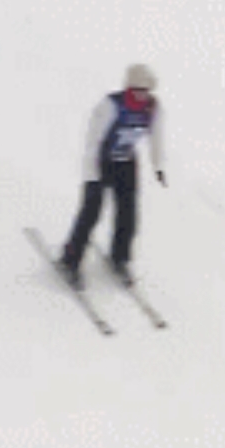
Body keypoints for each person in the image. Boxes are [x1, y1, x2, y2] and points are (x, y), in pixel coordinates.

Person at [57, 63, 167, 290]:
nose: (142, 95)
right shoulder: (110, 105)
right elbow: (92, 141)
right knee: (91, 213)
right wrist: (92, 175)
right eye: (137, 90)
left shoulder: (152, 109)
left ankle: (120, 257)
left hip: (126, 162)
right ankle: (70, 259)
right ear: (128, 88)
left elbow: (157, 138)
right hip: (101, 161)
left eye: (145, 91)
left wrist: (158, 166)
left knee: (128, 214)